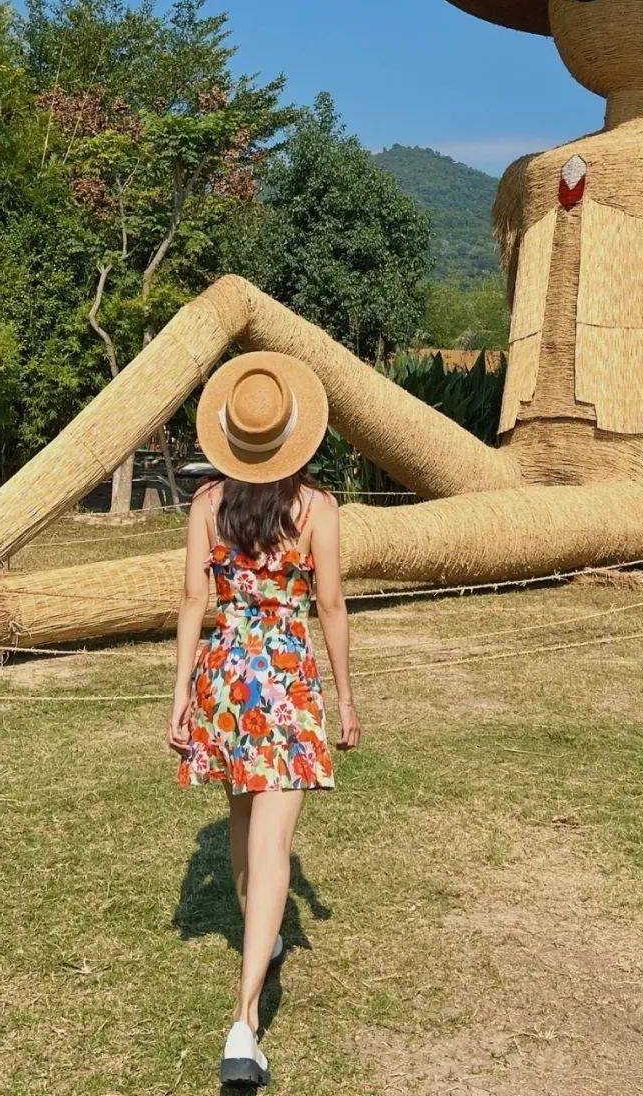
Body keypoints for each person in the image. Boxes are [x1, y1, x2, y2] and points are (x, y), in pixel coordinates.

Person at [167, 350, 361, 1088]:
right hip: (284, 679)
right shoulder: (319, 510)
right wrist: (346, 698)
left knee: (247, 839)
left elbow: (194, 604)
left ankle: (261, 943)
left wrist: (181, 692)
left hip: (225, 679)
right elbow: (333, 607)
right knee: (274, 850)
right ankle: (245, 1021)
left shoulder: (207, 504)